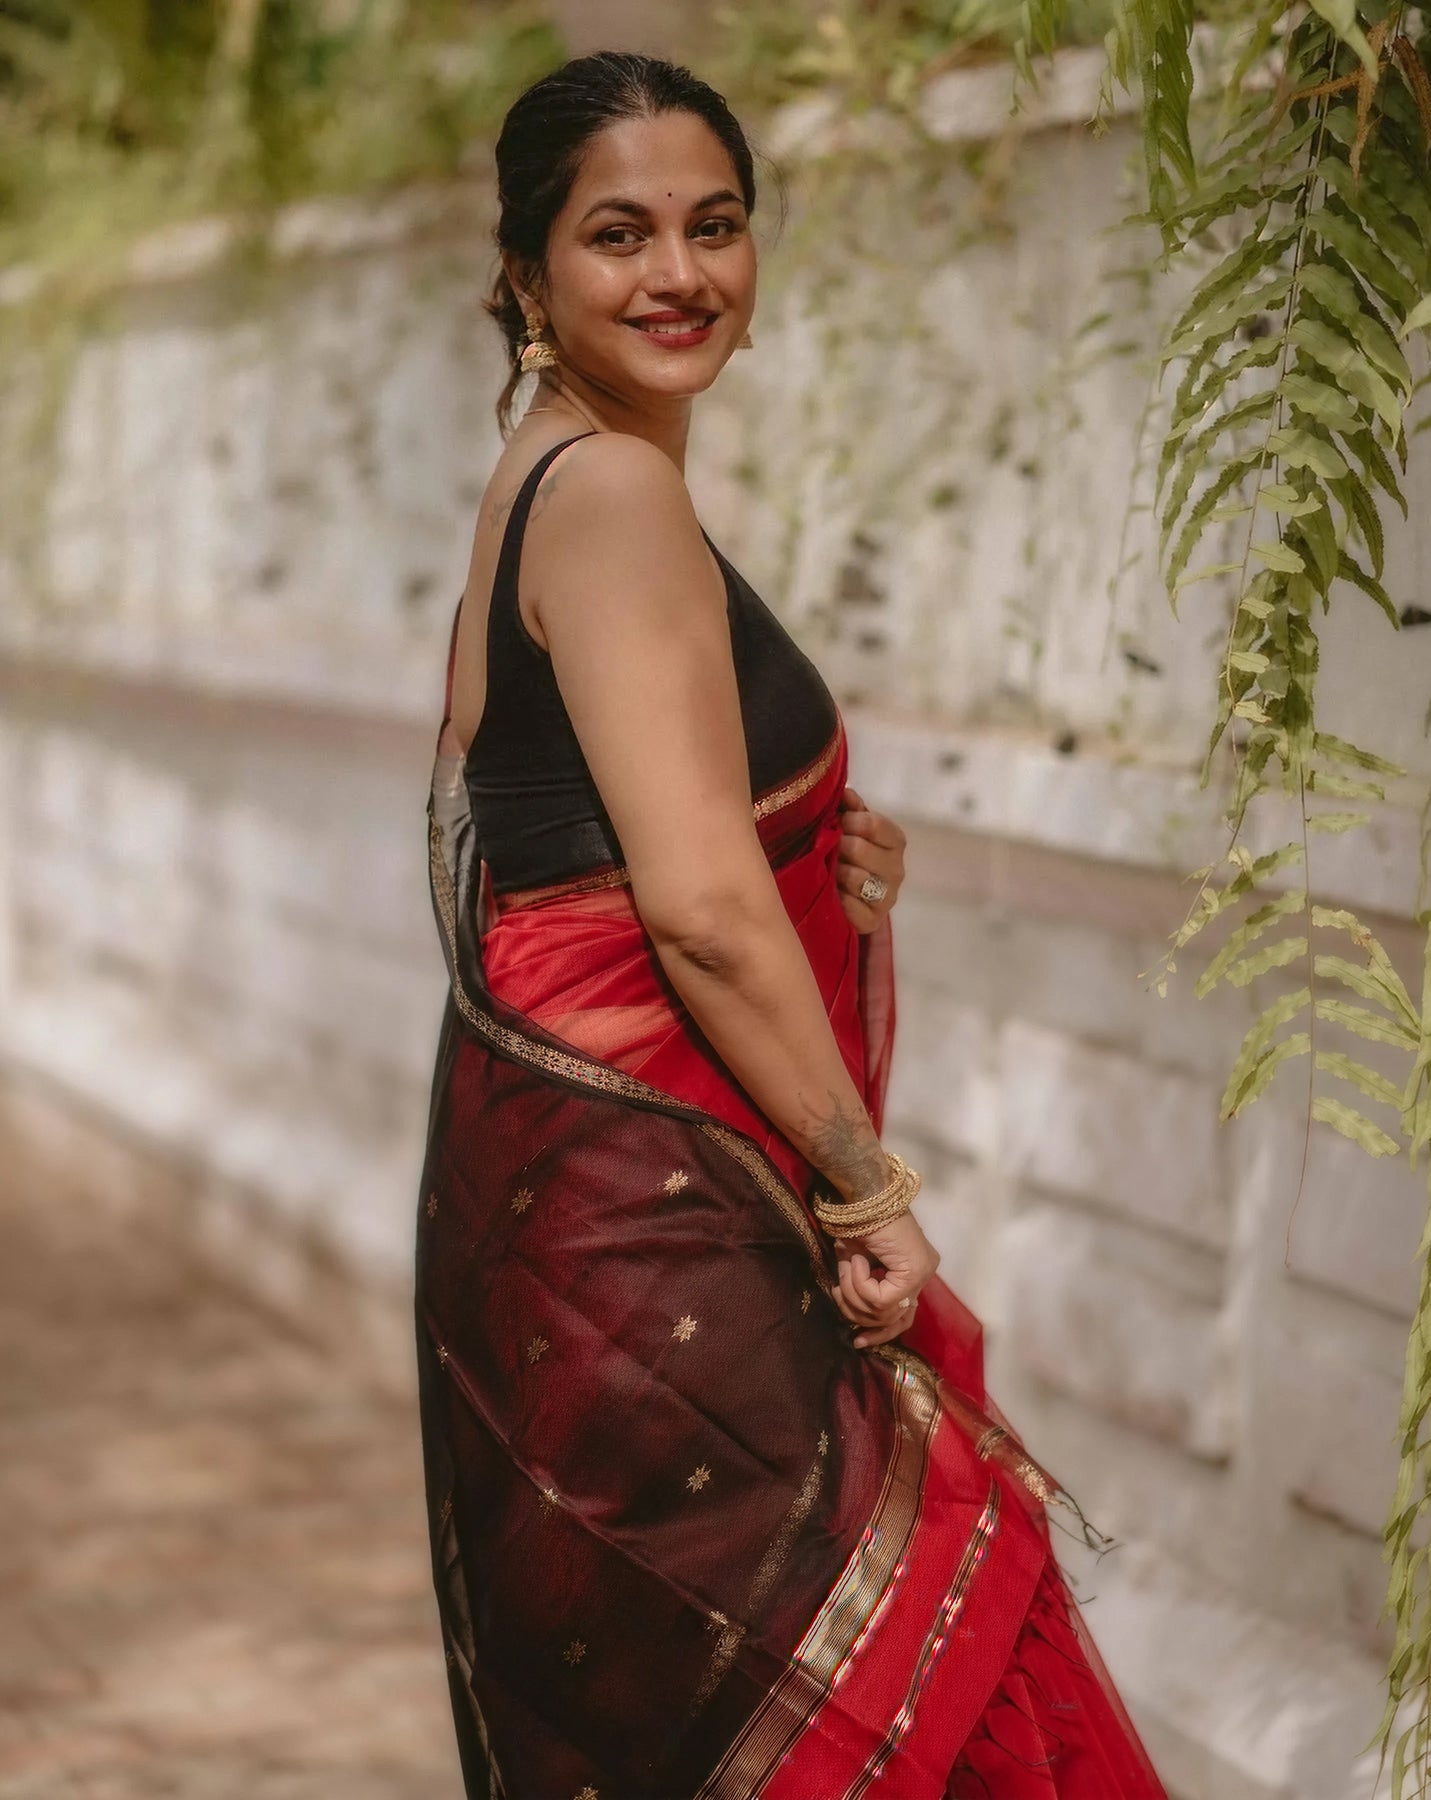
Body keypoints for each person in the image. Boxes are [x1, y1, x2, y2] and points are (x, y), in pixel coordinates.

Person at [417, 49, 1168, 1800]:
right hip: (670, 1210)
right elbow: (692, 912)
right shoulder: (612, 496)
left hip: (576, 1199)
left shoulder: (543, 476)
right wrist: (865, 1189)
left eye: (716, 223)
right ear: (527, 269)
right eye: (619, 233)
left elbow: (566, 841)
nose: (680, 272)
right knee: (882, 1708)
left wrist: (811, 847)